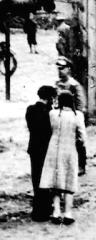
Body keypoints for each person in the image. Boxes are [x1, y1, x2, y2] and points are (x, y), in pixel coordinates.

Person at [39, 91, 87, 225]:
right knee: (69, 179)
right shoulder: (78, 115)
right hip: (69, 149)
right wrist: (80, 144)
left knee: (55, 180)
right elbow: (82, 137)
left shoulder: (53, 114)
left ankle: (56, 212)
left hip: (53, 149)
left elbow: (49, 130)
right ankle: (68, 213)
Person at [25, 85, 57, 221]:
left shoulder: (30, 109)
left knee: (36, 178)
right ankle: (44, 209)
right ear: (49, 98)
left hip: (34, 148)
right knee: (45, 179)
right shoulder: (50, 112)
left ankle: (38, 210)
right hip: (46, 149)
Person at [55, 56, 88, 174]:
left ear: (68, 69)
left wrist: (76, 117)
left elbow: (81, 104)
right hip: (62, 115)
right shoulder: (57, 84)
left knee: (79, 140)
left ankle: (81, 165)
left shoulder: (74, 85)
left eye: (62, 68)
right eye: (58, 68)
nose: (60, 71)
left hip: (74, 115)